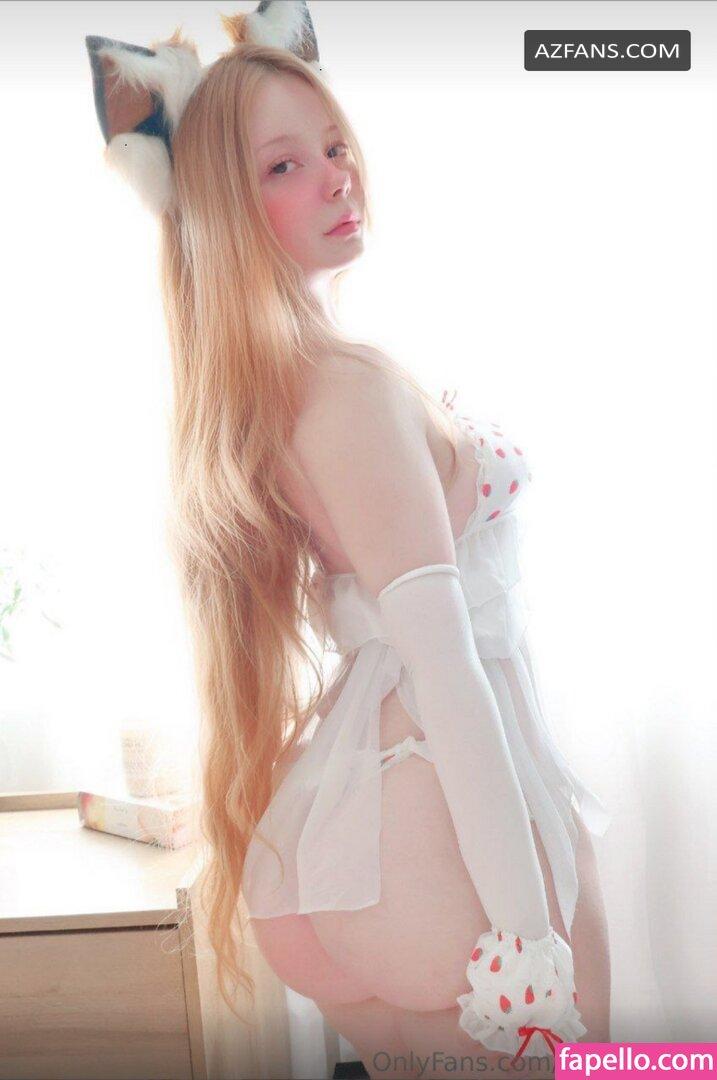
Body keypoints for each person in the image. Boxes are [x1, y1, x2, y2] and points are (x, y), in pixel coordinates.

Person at [85, 4, 612, 1077]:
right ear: (226, 210)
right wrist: (526, 940)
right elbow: (447, 668)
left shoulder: (280, 388)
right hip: (441, 837)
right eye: (285, 166)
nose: (337, 177)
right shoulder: (344, 389)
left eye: (333, 147)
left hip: (350, 836)